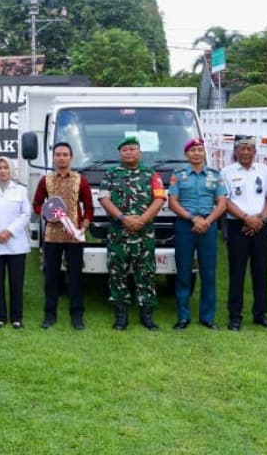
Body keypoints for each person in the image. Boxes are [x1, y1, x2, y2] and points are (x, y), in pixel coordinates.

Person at [98, 136, 166, 331]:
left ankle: (147, 316)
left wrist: (142, 220)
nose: (128, 152)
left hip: (144, 234)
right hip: (119, 233)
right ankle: (121, 316)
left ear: (140, 152)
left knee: (146, 273)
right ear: (120, 153)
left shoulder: (151, 174)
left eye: (132, 149)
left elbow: (160, 199)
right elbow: (104, 199)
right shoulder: (111, 174)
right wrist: (123, 218)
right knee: (117, 274)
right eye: (124, 149)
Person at [219, 136, 267, 331]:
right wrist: (246, 218)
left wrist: (260, 219)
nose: (245, 152)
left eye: (249, 149)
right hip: (238, 226)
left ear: (255, 152)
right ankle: (235, 316)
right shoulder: (226, 172)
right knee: (237, 272)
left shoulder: (263, 170)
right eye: (242, 148)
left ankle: (260, 314)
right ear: (235, 152)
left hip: (261, 226)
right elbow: (225, 201)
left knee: (261, 271)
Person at [32, 141, 94, 330]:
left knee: (75, 276)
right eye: (58, 154)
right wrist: (47, 215)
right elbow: (36, 204)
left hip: (74, 235)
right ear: (53, 157)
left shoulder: (80, 179)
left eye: (65, 154)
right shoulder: (46, 180)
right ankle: (49, 315)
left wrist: (84, 224)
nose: (61, 158)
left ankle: (77, 315)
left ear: (71, 157)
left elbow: (88, 206)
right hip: (51, 236)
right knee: (51, 277)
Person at [168, 138, 227, 331]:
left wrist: (207, 221)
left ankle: (207, 317)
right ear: (186, 154)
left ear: (204, 153)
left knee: (208, 273)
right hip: (186, 226)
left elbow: (222, 203)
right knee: (184, 273)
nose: (196, 153)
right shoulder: (178, 175)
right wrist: (194, 218)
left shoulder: (215, 175)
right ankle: (183, 317)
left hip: (208, 227)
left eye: (200, 150)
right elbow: (173, 202)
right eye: (192, 150)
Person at [0, 156, 32, 329]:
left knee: (16, 283)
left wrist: (9, 231)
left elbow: (25, 214)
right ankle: (0, 317)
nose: (2, 170)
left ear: (11, 170)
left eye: (5, 167)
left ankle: (17, 318)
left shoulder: (21, 190)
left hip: (16, 244)